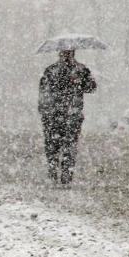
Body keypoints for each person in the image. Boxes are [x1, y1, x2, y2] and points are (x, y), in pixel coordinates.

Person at [38, 49, 96, 184]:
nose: (66, 56)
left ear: (73, 54)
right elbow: (43, 90)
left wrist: (79, 82)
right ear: (59, 54)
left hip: (71, 114)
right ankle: (53, 173)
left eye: (68, 53)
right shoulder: (51, 70)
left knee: (68, 146)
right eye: (64, 53)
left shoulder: (81, 70)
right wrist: (44, 110)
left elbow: (92, 87)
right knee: (53, 145)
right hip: (54, 115)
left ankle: (65, 175)